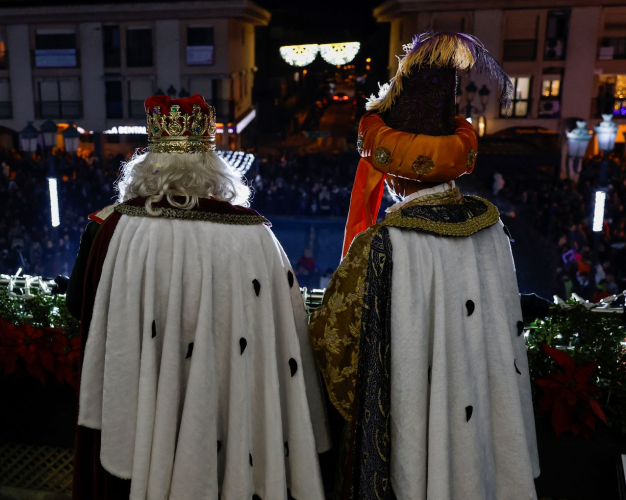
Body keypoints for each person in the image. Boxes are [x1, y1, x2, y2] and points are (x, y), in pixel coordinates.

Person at [309, 33, 540, 499]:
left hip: (412, 429)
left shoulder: (382, 243)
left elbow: (333, 346)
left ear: (392, 173)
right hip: (483, 435)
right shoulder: (492, 227)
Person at [67, 94, 330, 500]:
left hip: (144, 400)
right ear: (214, 168)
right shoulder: (258, 235)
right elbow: (284, 331)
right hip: (233, 407)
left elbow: (77, 309)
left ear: (146, 165)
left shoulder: (111, 228)